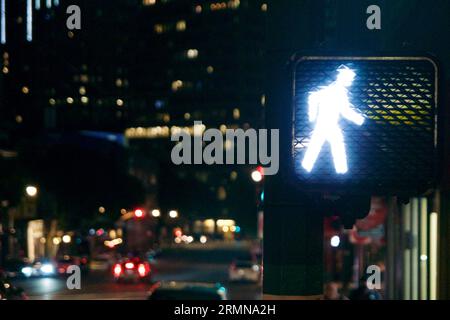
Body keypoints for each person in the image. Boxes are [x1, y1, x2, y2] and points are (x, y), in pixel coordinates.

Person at [302, 65, 365, 174]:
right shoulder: (337, 91)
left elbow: (313, 97)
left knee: (318, 146)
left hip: (326, 125)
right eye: (350, 77)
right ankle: (341, 173)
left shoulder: (334, 89)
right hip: (327, 125)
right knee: (328, 146)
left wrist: (312, 117)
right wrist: (361, 120)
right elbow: (345, 111)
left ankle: (306, 169)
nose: (351, 79)